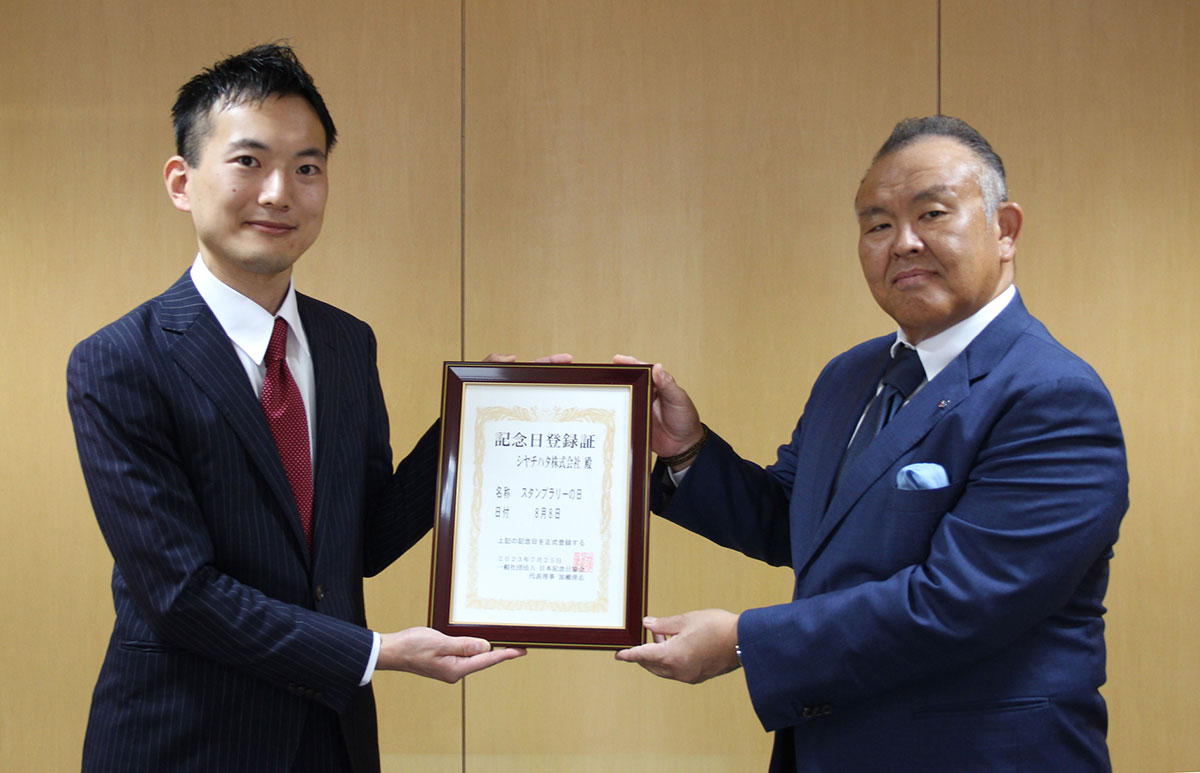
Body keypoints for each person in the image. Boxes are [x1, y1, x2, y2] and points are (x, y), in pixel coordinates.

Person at [67, 44, 532, 772]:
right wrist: (377, 651)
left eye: (308, 167)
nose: (281, 192)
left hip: (332, 741)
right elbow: (181, 594)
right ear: (182, 181)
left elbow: (365, 537)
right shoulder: (121, 359)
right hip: (183, 739)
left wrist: (473, 425)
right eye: (248, 162)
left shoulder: (347, 343)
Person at [614, 116, 1128, 771]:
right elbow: (796, 524)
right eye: (878, 225)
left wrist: (745, 640)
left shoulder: (1052, 395)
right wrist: (686, 451)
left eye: (933, 213)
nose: (903, 242)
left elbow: (955, 602)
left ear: (1005, 229)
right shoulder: (849, 375)